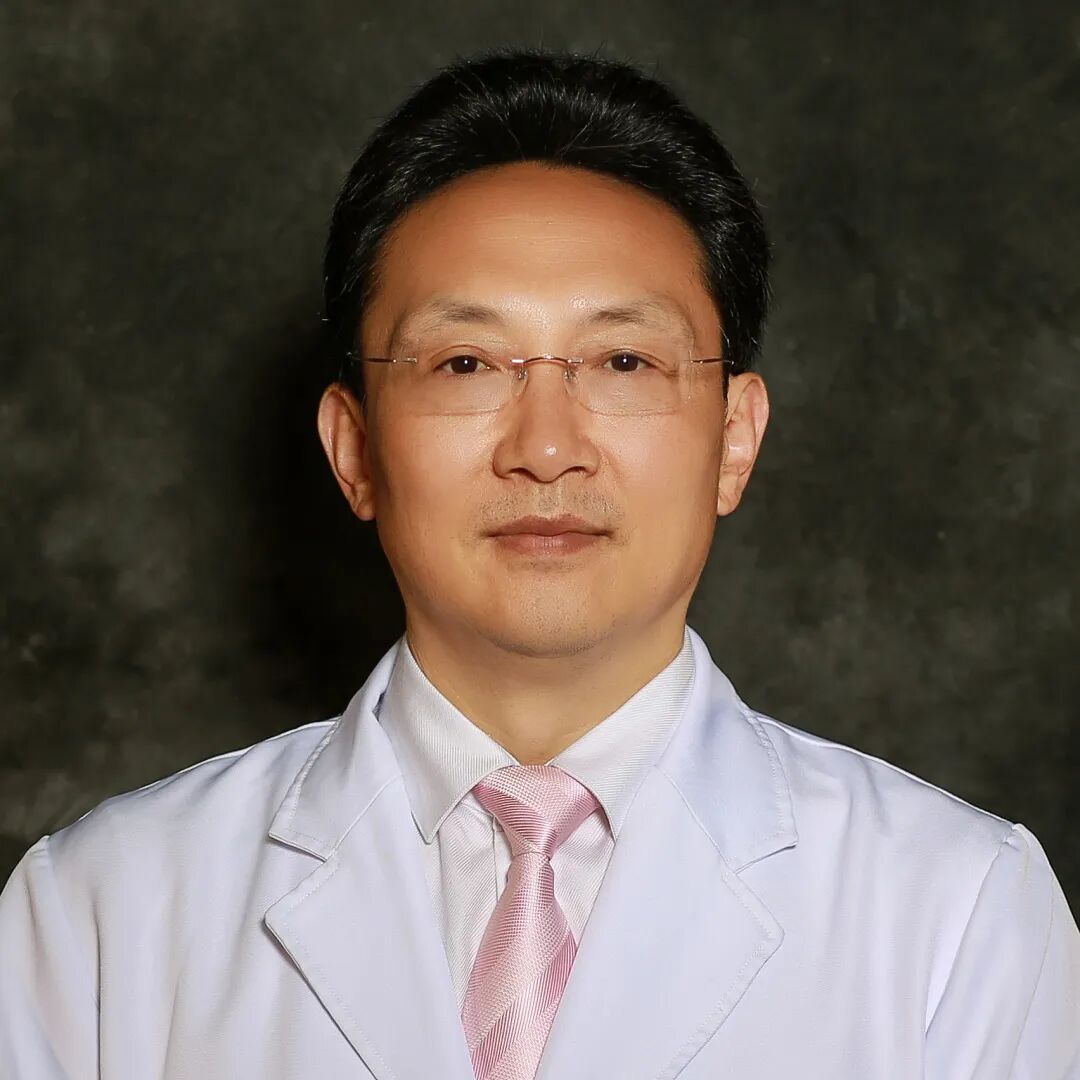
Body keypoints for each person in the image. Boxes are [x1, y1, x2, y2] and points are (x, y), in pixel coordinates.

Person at [1, 48, 1077, 1080]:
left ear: (734, 440)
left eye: (624, 360)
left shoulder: (958, 909)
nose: (548, 448)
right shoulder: (99, 910)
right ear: (355, 447)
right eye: (466, 362)